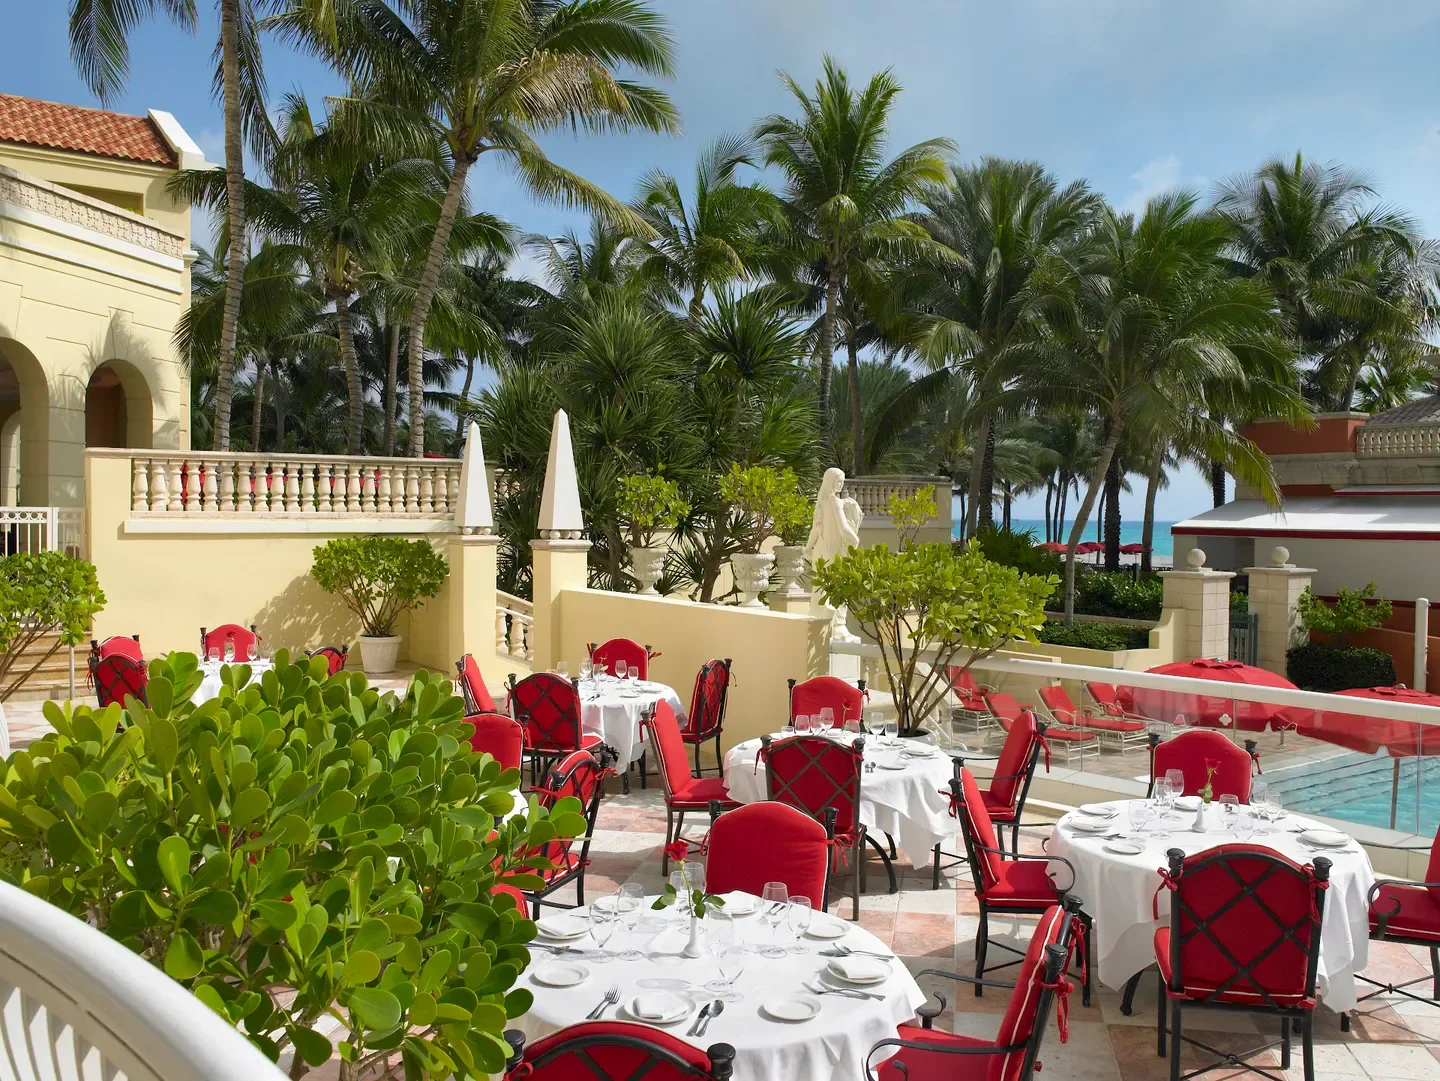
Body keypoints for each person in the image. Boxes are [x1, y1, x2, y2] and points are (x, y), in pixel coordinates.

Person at [805, 467, 863, 643]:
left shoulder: (821, 503)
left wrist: (808, 548)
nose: (841, 484)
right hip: (834, 550)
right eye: (839, 481)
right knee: (838, 585)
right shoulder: (835, 502)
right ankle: (837, 625)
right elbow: (843, 528)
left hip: (821, 552)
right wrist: (856, 541)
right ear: (831, 482)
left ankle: (821, 622)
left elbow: (815, 531)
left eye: (843, 481)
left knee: (821, 587)